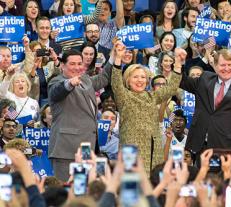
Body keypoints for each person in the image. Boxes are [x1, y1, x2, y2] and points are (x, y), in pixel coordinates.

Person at [111, 42, 186, 174]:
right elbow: (116, 83)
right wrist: (118, 58)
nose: (140, 80)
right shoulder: (124, 96)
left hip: (154, 149)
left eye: (143, 77)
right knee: (133, 187)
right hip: (131, 150)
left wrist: (178, 64)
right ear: (128, 80)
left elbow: (171, 88)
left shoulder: (152, 96)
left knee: (153, 185)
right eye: (135, 77)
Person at [180, 49, 231, 163]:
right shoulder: (204, 79)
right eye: (222, 65)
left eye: (229, 65)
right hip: (202, 148)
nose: (226, 68)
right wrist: (179, 64)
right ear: (215, 66)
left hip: (230, 151)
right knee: (201, 181)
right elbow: (182, 81)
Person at [48, 49, 112, 181]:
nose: (77, 67)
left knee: (87, 191)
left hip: (88, 149)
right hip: (67, 150)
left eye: (79, 63)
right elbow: (57, 92)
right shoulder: (56, 81)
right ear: (63, 65)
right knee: (67, 191)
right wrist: (69, 83)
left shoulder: (86, 80)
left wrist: (114, 57)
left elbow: (103, 78)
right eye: (72, 64)